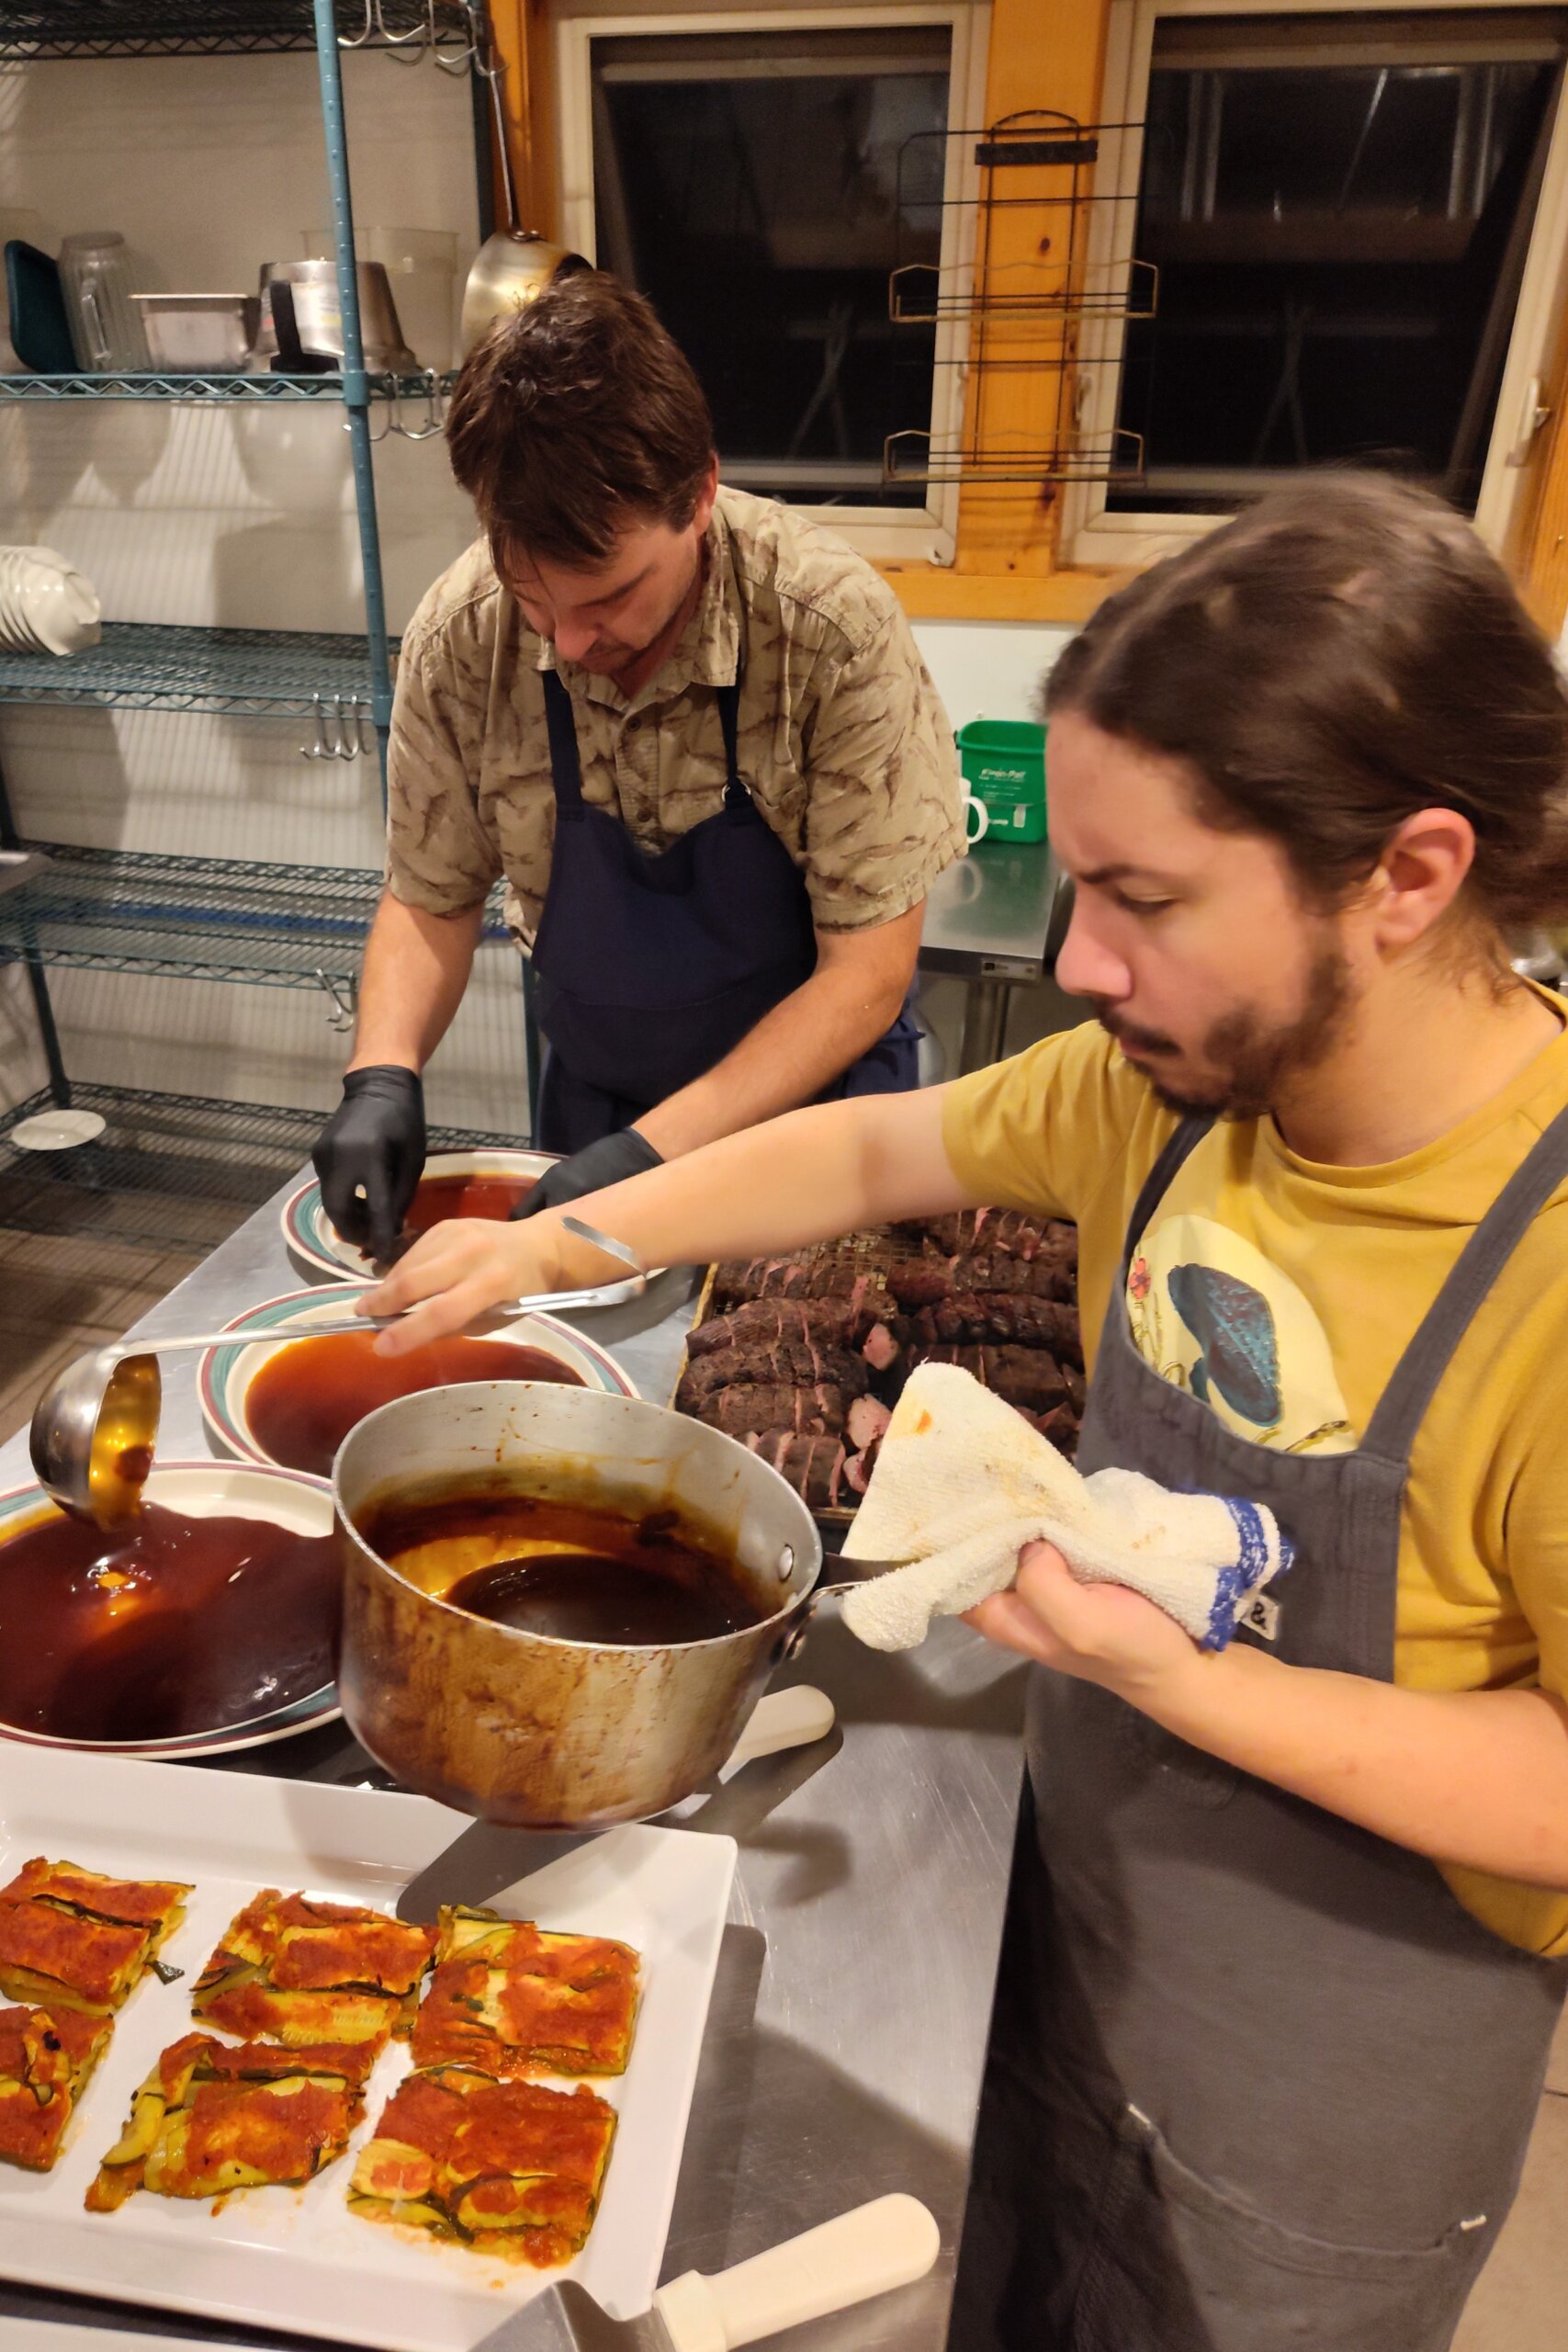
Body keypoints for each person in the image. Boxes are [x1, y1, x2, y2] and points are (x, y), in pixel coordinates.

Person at [358, 471, 1568, 2351]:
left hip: (1316, 2114)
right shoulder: (1167, 1097)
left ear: (1405, 878)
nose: (1076, 962)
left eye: (1144, 899)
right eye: (1081, 887)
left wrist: (1178, 1675)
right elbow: (868, 1150)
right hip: (1069, 1927)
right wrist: (557, 1239)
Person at [311, 270, 963, 1261]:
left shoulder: (827, 629)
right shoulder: (465, 635)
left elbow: (866, 976)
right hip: (596, 1111)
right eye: (535, 597)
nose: (569, 643)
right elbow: (431, 895)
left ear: (697, 495)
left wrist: (659, 1152)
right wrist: (381, 1073)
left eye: (609, 597)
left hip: (810, 1127)